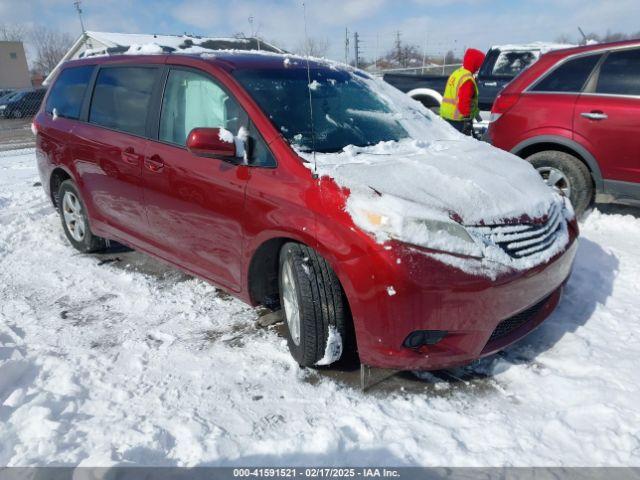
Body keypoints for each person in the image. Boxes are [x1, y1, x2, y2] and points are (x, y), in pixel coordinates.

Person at [440, 48, 486, 136]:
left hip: (447, 115)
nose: (479, 68)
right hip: (458, 119)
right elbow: (464, 101)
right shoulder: (467, 79)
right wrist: (467, 120)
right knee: (458, 145)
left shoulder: (457, 73)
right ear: (475, 63)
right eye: (479, 64)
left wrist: (476, 115)